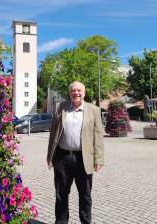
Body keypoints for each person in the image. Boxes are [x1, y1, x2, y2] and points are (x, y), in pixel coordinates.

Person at [47, 81, 104, 224]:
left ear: (84, 93)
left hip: (84, 158)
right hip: (62, 157)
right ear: (69, 93)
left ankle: (85, 222)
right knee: (61, 195)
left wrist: (99, 159)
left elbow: (98, 136)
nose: (76, 93)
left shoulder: (94, 110)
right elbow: (53, 133)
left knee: (85, 196)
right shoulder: (60, 108)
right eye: (73, 90)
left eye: (79, 90)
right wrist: (50, 155)